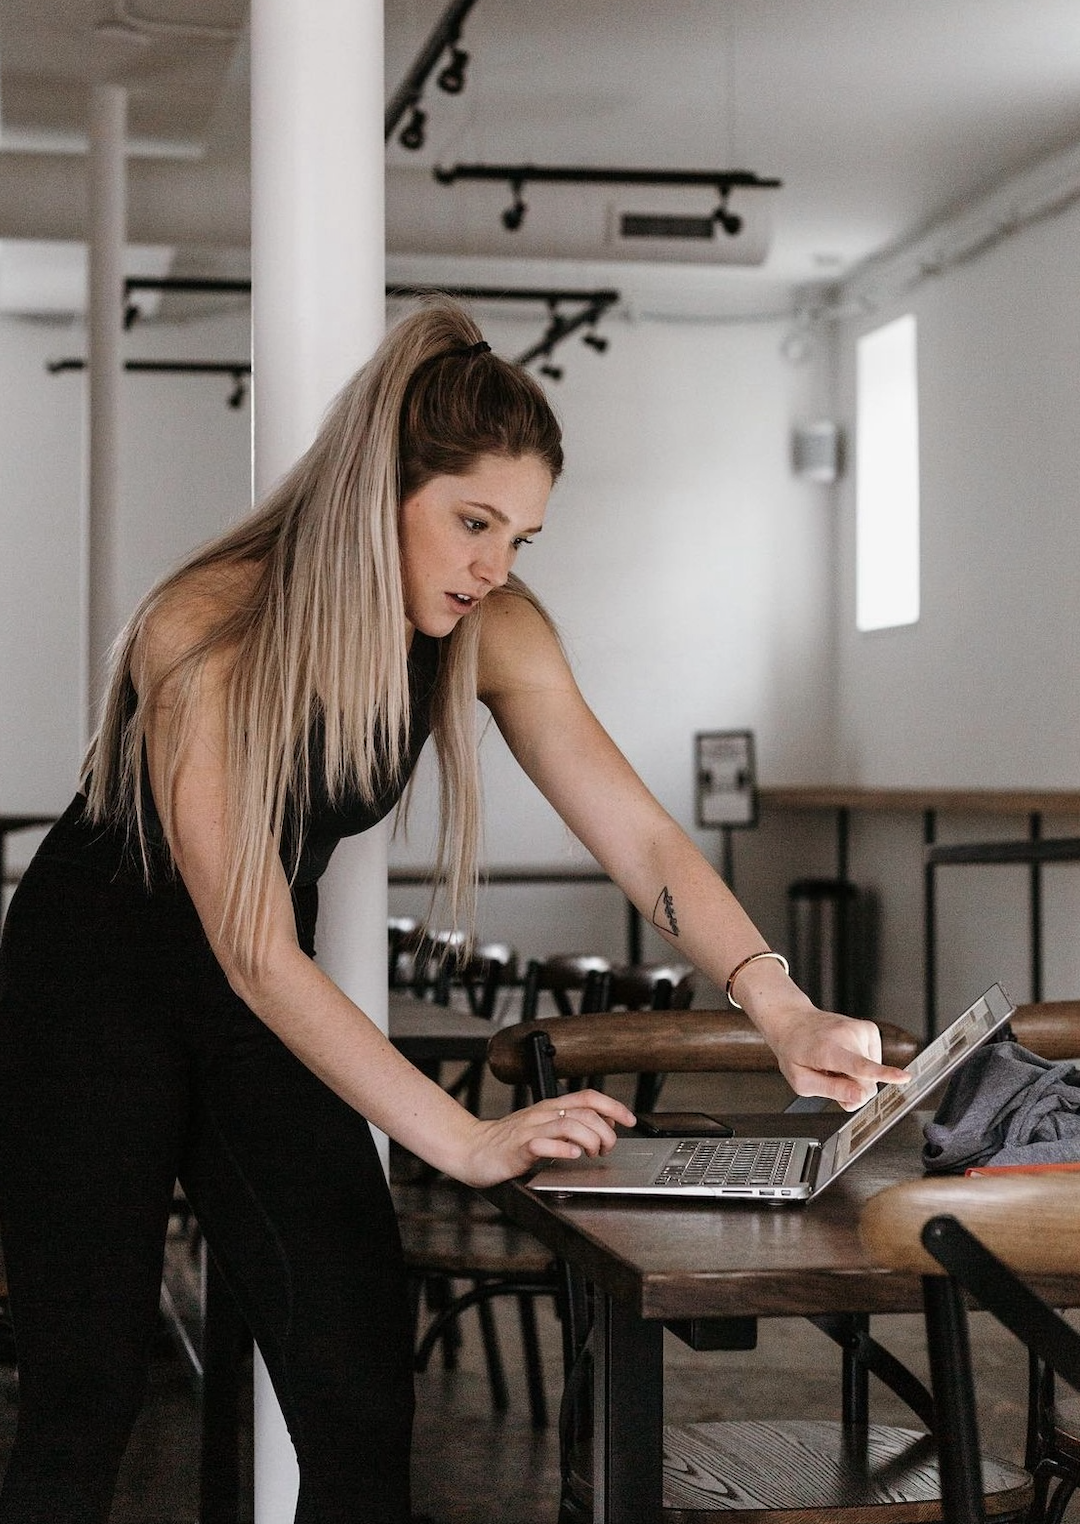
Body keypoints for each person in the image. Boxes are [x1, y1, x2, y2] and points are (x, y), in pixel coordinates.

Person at [0, 296, 909, 1524]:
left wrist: (784, 1011)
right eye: (472, 522)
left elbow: (637, 833)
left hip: (252, 1010)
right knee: (87, 1391)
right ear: (379, 492)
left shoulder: (492, 630)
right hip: (90, 992)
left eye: (522, 537)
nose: (494, 566)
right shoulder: (205, 625)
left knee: (359, 1385)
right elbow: (258, 951)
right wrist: (464, 1139)